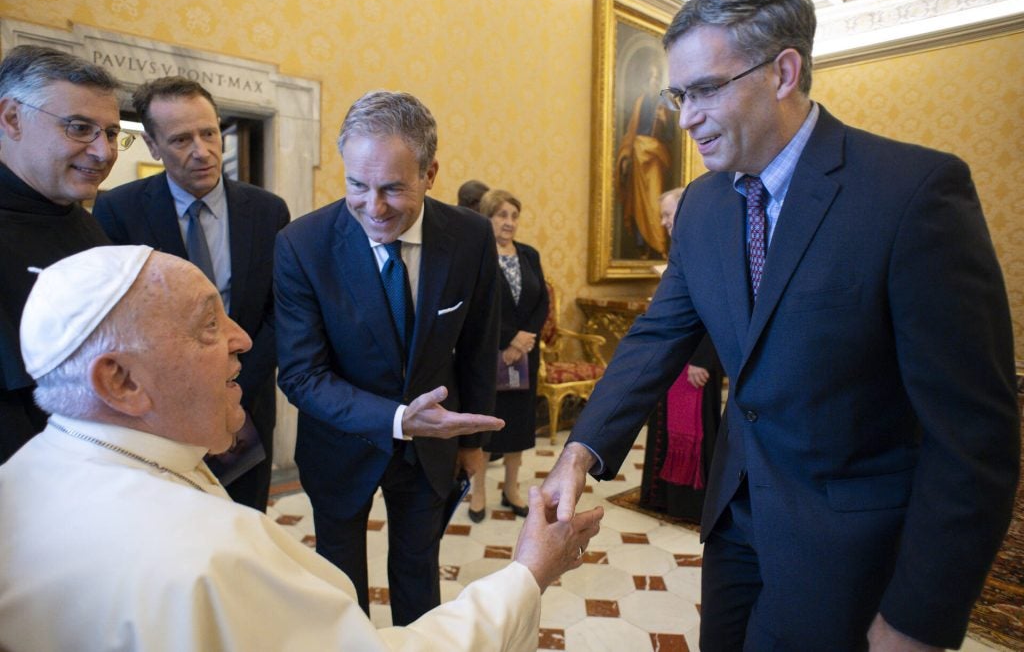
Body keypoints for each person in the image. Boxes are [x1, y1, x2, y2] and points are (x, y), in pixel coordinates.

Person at [541, 0, 1019, 650]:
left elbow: (974, 439)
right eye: (679, 96)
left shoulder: (912, 194)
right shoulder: (704, 206)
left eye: (704, 90)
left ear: (783, 72)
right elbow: (657, 335)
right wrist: (580, 451)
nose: (685, 118)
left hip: (847, 545)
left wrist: (919, 616)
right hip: (734, 520)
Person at [0, 245, 604, 652]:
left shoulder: (25, 474)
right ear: (121, 382)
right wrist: (528, 573)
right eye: (207, 325)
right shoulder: (212, 556)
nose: (242, 339)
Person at [275, 91, 503, 625]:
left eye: (393, 188)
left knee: (418, 572)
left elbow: (476, 345)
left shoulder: (469, 237)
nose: (373, 208)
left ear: (430, 173)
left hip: (430, 457)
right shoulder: (302, 245)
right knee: (339, 583)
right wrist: (399, 420)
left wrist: (474, 445)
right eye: (357, 185)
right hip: (339, 447)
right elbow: (304, 376)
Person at [93, 77, 290, 512]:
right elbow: (120, 318)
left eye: (209, 133)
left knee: (245, 521)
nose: (201, 151)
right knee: (174, 524)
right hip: (161, 408)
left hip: (247, 402)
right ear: (152, 145)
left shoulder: (267, 210)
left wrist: (233, 375)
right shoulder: (119, 211)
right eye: (181, 139)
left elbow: (281, 311)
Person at [0, 44, 127, 463]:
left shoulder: (83, 221)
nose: (103, 152)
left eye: (110, 133)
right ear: (11, 118)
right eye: (78, 127)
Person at [639, 187, 723, 523]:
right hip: (675, 362)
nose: (662, 222)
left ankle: (691, 504)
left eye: (667, 214)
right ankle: (664, 499)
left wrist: (702, 360)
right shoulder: (681, 248)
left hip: (697, 363)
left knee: (697, 431)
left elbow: (716, 311)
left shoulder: (710, 250)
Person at [468, 189, 549, 522]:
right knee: (486, 426)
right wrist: (509, 339)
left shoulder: (529, 255)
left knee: (517, 425)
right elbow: (477, 309)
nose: (509, 222)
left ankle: (511, 488)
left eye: (514, 216)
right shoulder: (476, 256)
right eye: (501, 215)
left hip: (525, 358)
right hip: (489, 357)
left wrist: (524, 341)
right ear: (488, 218)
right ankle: (478, 491)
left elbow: (541, 301)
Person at [615, 57, 674, 258]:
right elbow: (630, 134)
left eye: (657, 77)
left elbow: (671, 137)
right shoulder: (640, 102)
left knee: (654, 202)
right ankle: (642, 245)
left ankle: (659, 244)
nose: (654, 81)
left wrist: (664, 123)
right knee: (640, 202)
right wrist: (624, 157)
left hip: (655, 157)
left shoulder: (664, 104)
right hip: (638, 155)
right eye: (650, 77)